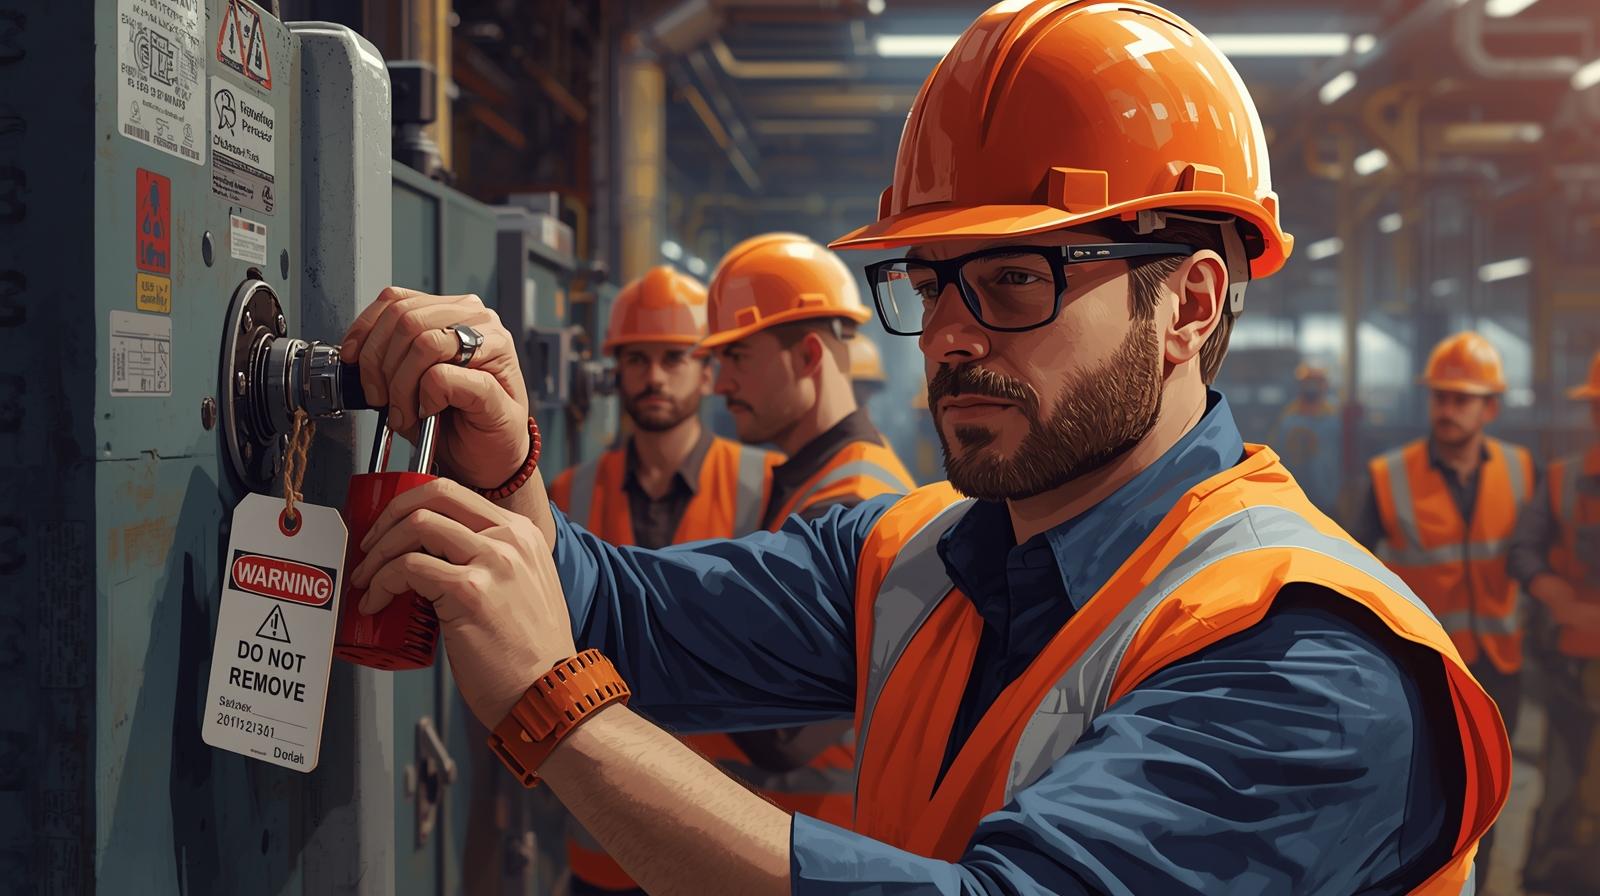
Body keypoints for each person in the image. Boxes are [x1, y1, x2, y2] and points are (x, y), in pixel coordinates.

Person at [340, 2, 1509, 892]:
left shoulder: (1310, 661)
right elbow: (618, 613)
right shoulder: (916, 559)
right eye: (930, 279)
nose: (947, 334)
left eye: (1015, 277)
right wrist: (503, 462)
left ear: (1189, 306)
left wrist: (563, 720)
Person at [545, 265, 781, 895]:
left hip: (727, 841)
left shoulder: (767, 483)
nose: (654, 377)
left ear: (707, 373)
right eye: (637, 359)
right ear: (617, 371)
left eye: (675, 358)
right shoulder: (568, 493)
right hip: (604, 835)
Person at [685, 233, 914, 829]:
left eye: (738, 357)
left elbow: (781, 733)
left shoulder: (855, 500)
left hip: (817, 841)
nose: (719, 384)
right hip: (788, 839)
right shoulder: (811, 481)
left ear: (809, 357)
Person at [1350, 332, 1533, 885]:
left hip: (1500, 663)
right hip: (1427, 667)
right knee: (1428, 797)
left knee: (1491, 793)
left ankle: (1483, 885)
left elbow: (1533, 554)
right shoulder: (1390, 477)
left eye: (1462, 399)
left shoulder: (1521, 470)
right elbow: (1352, 570)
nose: (1447, 409)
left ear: (1490, 408)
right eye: (1440, 397)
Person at [1508, 349, 1600, 896]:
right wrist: (1555, 594)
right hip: (1570, 667)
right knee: (1565, 787)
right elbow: (1523, 551)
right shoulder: (1563, 479)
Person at [1270, 363, 1342, 514]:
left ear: (1324, 385)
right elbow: (1276, 450)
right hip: (1293, 494)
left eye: (1317, 382)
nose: (1312, 386)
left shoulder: (1334, 417)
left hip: (1326, 493)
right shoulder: (1287, 416)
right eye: (1308, 382)